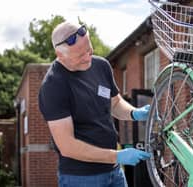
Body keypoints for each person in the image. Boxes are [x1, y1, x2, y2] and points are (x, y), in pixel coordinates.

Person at [38, 21, 151, 187]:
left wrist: (134, 113)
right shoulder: (53, 87)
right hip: (81, 179)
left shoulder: (101, 66)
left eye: (89, 50)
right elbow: (68, 146)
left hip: (114, 172)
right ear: (60, 55)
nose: (87, 58)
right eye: (80, 56)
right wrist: (118, 156)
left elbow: (115, 103)